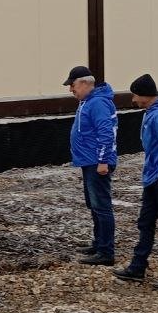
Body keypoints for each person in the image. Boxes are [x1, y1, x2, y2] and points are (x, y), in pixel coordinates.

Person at [113, 73, 158, 292]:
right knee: (145, 222)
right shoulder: (154, 113)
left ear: (144, 95)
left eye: (135, 95)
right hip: (155, 177)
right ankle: (138, 266)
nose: (133, 99)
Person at [63, 65, 118, 265]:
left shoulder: (97, 103)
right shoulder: (88, 102)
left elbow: (106, 132)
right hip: (89, 161)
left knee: (101, 206)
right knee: (94, 205)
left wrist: (103, 161)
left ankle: (106, 252)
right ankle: (99, 243)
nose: (71, 90)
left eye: (73, 85)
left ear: (85, 83)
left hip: (97, 163)